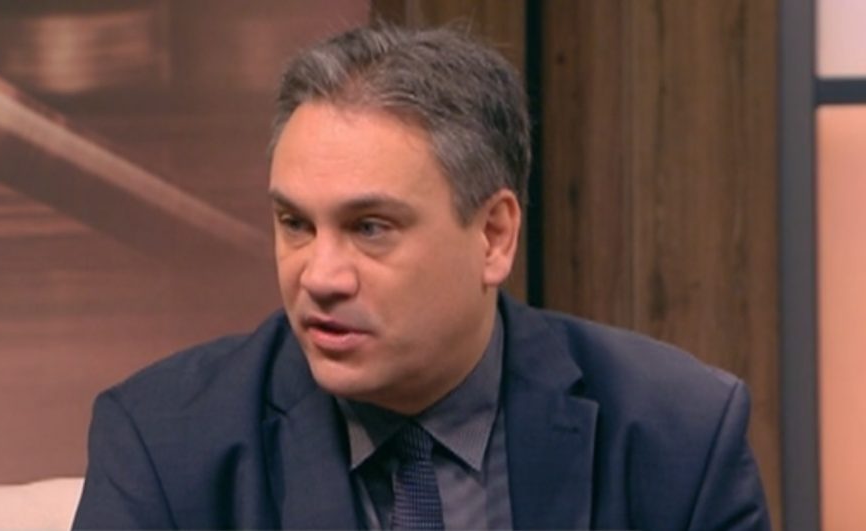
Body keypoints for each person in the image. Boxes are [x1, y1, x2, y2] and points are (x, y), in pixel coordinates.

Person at [73, 24, 770, 530]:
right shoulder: (167, 443)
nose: (320, 276)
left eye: (370, 227)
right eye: (295, 223)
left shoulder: (675, 433)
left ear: (494, 235)